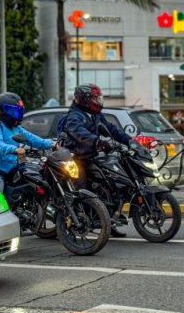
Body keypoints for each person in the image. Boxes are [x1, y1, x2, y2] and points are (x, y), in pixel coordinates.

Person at [57, 83, 136, 237]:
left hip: (90, 157)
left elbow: (111, 129)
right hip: (76, 160)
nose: (98, 100)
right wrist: (97, 141)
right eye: (94, 98)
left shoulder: (95, 115)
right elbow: (79, 132)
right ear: (84, 99)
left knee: (110, 185)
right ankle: (78, 223)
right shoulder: (74, 116)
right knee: (83, 189)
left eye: (98, 97)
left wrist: (129, 141)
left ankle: (109, 221)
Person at [0, 92, 54, 194]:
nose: (17, 114)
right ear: (3, 111)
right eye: (13, 111)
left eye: (18, 111)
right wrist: (15, 149)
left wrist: (52, 144)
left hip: (12, 170)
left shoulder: (16, 128)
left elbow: (32, 139)